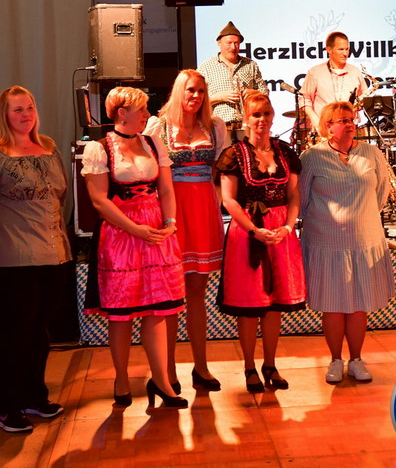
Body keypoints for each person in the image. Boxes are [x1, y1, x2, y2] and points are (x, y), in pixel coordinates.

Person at [82, 87, 188, 408]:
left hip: (154, 230)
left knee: (158, 310)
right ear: (121, 112)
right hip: (121, 234)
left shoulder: (153, 143)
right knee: (122, 314)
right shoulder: (100, 148)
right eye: (141, 109)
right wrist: (134, 228)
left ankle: (161, 380)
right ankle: (122, 378)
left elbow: (166, 189)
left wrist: (169, 222)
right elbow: (100, 200)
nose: (146, 114)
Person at [216, 90, 306, 393]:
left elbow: (294, 195)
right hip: (247, 232)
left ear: (273, 116)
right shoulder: (233, 154)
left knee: (274, 303)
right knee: (249, 304)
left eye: (266, 113)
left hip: (280, 232)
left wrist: (288, 226)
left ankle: (270, 364)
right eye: (255, 114)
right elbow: (228, 200)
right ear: (245, 118)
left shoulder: (284, 152)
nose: (261, 120)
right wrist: (254, 230)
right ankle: (249, 366)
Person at [299, 101, 395, 384]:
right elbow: (302, 200)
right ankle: (335, 360)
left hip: (363, 240)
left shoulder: (371, 153)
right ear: (328, 127)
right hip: (326, 242)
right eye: (342, 120)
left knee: (358, 304)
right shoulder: (312, 157)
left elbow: (381, 193)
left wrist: (360, 217)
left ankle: (356, 359)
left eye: (351, 119)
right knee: (332, 304)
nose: (350, 124)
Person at [145, 70, 226, 392]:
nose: (196, 96)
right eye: (191, 90)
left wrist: (218, 203)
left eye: (201, 91)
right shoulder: (158, 127)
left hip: (203, 210)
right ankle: (167, 372)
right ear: (179, 91)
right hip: (173, 213)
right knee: (170, 296)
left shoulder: (215, 127)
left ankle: (201, 367)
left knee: (196, 294)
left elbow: (220, 171)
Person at [0, 86, 72, 434]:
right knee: (15, 334)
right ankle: (7, 405)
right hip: (15, 258)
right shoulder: (1, 154)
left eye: (29, 107)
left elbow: (61, 196)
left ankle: (34, 396)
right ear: (4, 115)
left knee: (40, 332)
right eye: (17, 110)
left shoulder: (49, 147)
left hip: (54, 254)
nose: (25, 115)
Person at [198, 21, 268, 145]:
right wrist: (218, 97)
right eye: (229, 43)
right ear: (219, 43)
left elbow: (265, 94)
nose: (233, 47)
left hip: (247, 127)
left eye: (236, 43)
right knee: (223, 157)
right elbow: (198, 100)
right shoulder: (205, 68)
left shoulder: (250, 65)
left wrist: (253, 93)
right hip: (219, 127)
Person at [300, 31, 367, 133]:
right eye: (341, 49)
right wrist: (315, 120)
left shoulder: (355, 72)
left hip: (349, 129)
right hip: (324, 129)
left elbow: (364, 98)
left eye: (347, 49)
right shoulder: (315, 72)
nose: (345, 53)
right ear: (329, 49)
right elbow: (304, 99)